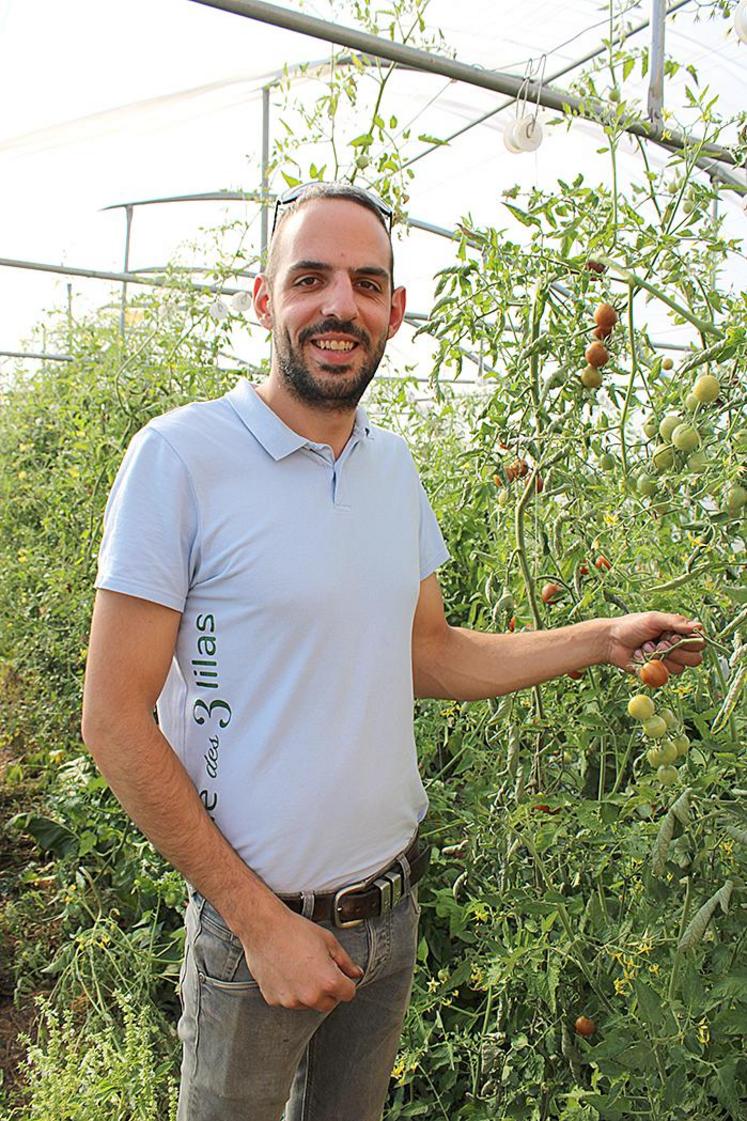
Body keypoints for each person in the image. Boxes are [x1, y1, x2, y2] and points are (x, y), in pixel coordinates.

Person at [81, 181, 704, 1121]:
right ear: (264, 298)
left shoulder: (391, 465)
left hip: (390, 916)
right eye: (311, 279)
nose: (340, 305)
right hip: (256, 937)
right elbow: (113, 719)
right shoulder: (180, 458)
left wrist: (596, 640)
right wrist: (258, 924)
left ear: (394, 311)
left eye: (366, 283)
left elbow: (431, 653)